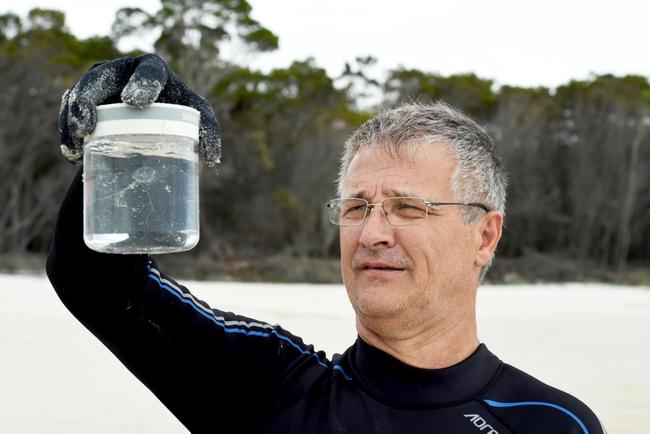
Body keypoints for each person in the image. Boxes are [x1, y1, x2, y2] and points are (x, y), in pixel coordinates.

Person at [47, 54, 606, 433]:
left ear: (485, 235)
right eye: (357, 207)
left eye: (408, 208)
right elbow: (96, 281)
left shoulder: (550, 422)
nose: (372, 233)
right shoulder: (273, 389)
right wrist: (128, 133)